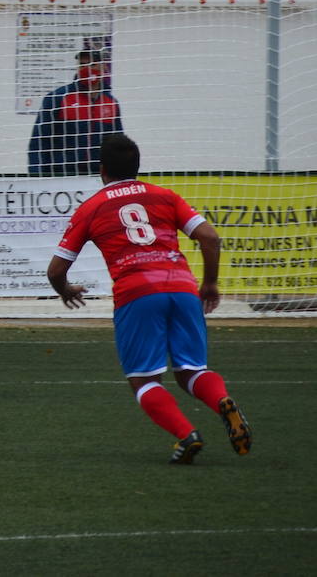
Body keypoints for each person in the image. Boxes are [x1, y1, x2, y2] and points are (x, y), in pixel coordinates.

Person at [45, 133, 252, 464]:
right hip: (183, 288)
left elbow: (55, 271)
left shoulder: (92, 207)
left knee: (143, 379)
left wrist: (65, 290)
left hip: (137, 293)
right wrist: (210, 284)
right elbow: (210, 238)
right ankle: (222, 400)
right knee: (191, 370)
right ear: (137, 166)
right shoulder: (165, 197)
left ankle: (188, 435)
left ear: (102, 170)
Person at [28, 50, 124, 176]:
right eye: (83, 65)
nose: (87, 69)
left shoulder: (111, 103)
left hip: (98, 177)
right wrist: (37, 177)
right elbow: (39, 142)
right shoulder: (58, 98)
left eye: (93, 64)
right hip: (62, 176)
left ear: (103, 67)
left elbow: (118, 145)